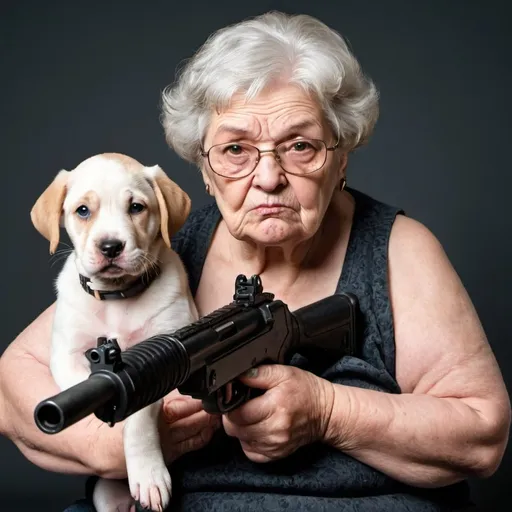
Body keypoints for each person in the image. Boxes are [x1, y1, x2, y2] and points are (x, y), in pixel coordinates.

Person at [0, 10, 510, 512]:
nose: (268, 177)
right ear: (205, 167)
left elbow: (482, 437)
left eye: (300, 146)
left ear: (341, 156)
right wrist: (111, 446)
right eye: (236, 149)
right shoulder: (165, 253)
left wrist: (329, 411)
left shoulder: (397, 249)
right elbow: (12, 384)